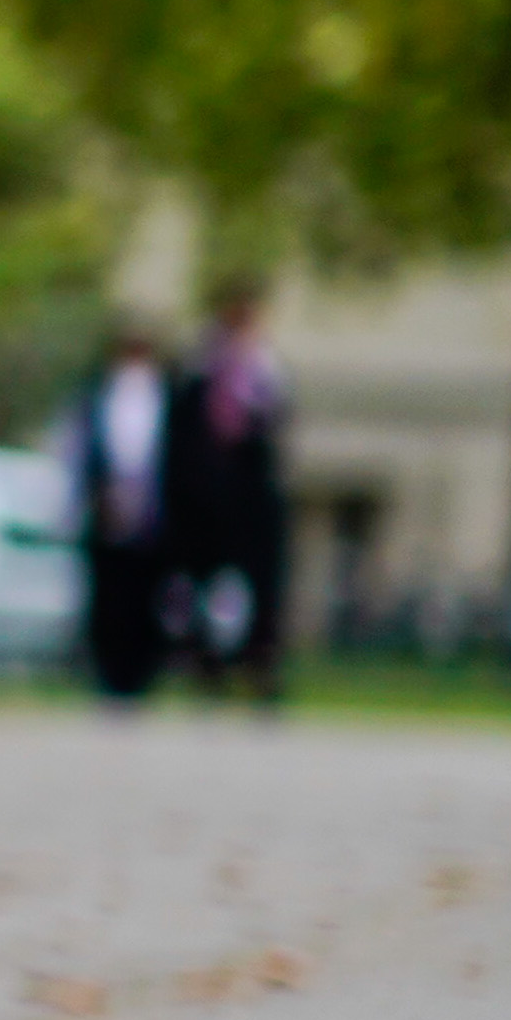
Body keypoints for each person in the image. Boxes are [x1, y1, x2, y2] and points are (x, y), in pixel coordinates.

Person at [168, 283, 294, 707]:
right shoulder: (199, 374)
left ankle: (259, 666)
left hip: (252, 499)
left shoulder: (265, 374)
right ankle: (206, 664)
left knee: (261, 586)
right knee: (202, 585)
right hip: (205, 501)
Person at [71, 324, 177, 704]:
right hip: (106, 514)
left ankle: (139, 675)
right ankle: (107, 673)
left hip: (151, 519)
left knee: (145, 599)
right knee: (107, 599)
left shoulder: (166, 398)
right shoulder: (97, 397)